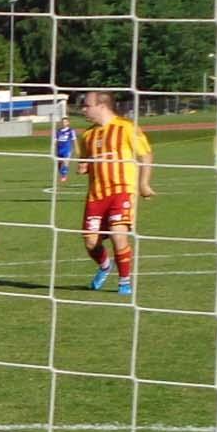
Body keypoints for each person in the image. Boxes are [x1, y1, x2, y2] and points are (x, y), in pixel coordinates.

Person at [78, 91, 155, 297]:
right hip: (96, 195)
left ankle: (124, 281)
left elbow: (145, 155)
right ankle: (104, 266)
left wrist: (143, 184)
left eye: (86, 105)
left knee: (117, 236)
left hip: (121, 191)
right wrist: (84, 166)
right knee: (90, 242)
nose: (83, 109)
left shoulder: (127, 128)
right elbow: (85, 160)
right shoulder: (87, 135)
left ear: (102, 106)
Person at [54, 118, 78, 183]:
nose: (63, 123)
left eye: (65, 122)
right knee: (59, 164)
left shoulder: (71, 131)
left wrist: (76, 148)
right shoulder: (58, 131)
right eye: (62, 122)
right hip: (59, 149)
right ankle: (62, 174)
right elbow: (55, 140)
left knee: (65, 163)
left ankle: (64, 176)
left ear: (68, 123)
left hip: (67, 149)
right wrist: (54, 148)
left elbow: (74, 140)